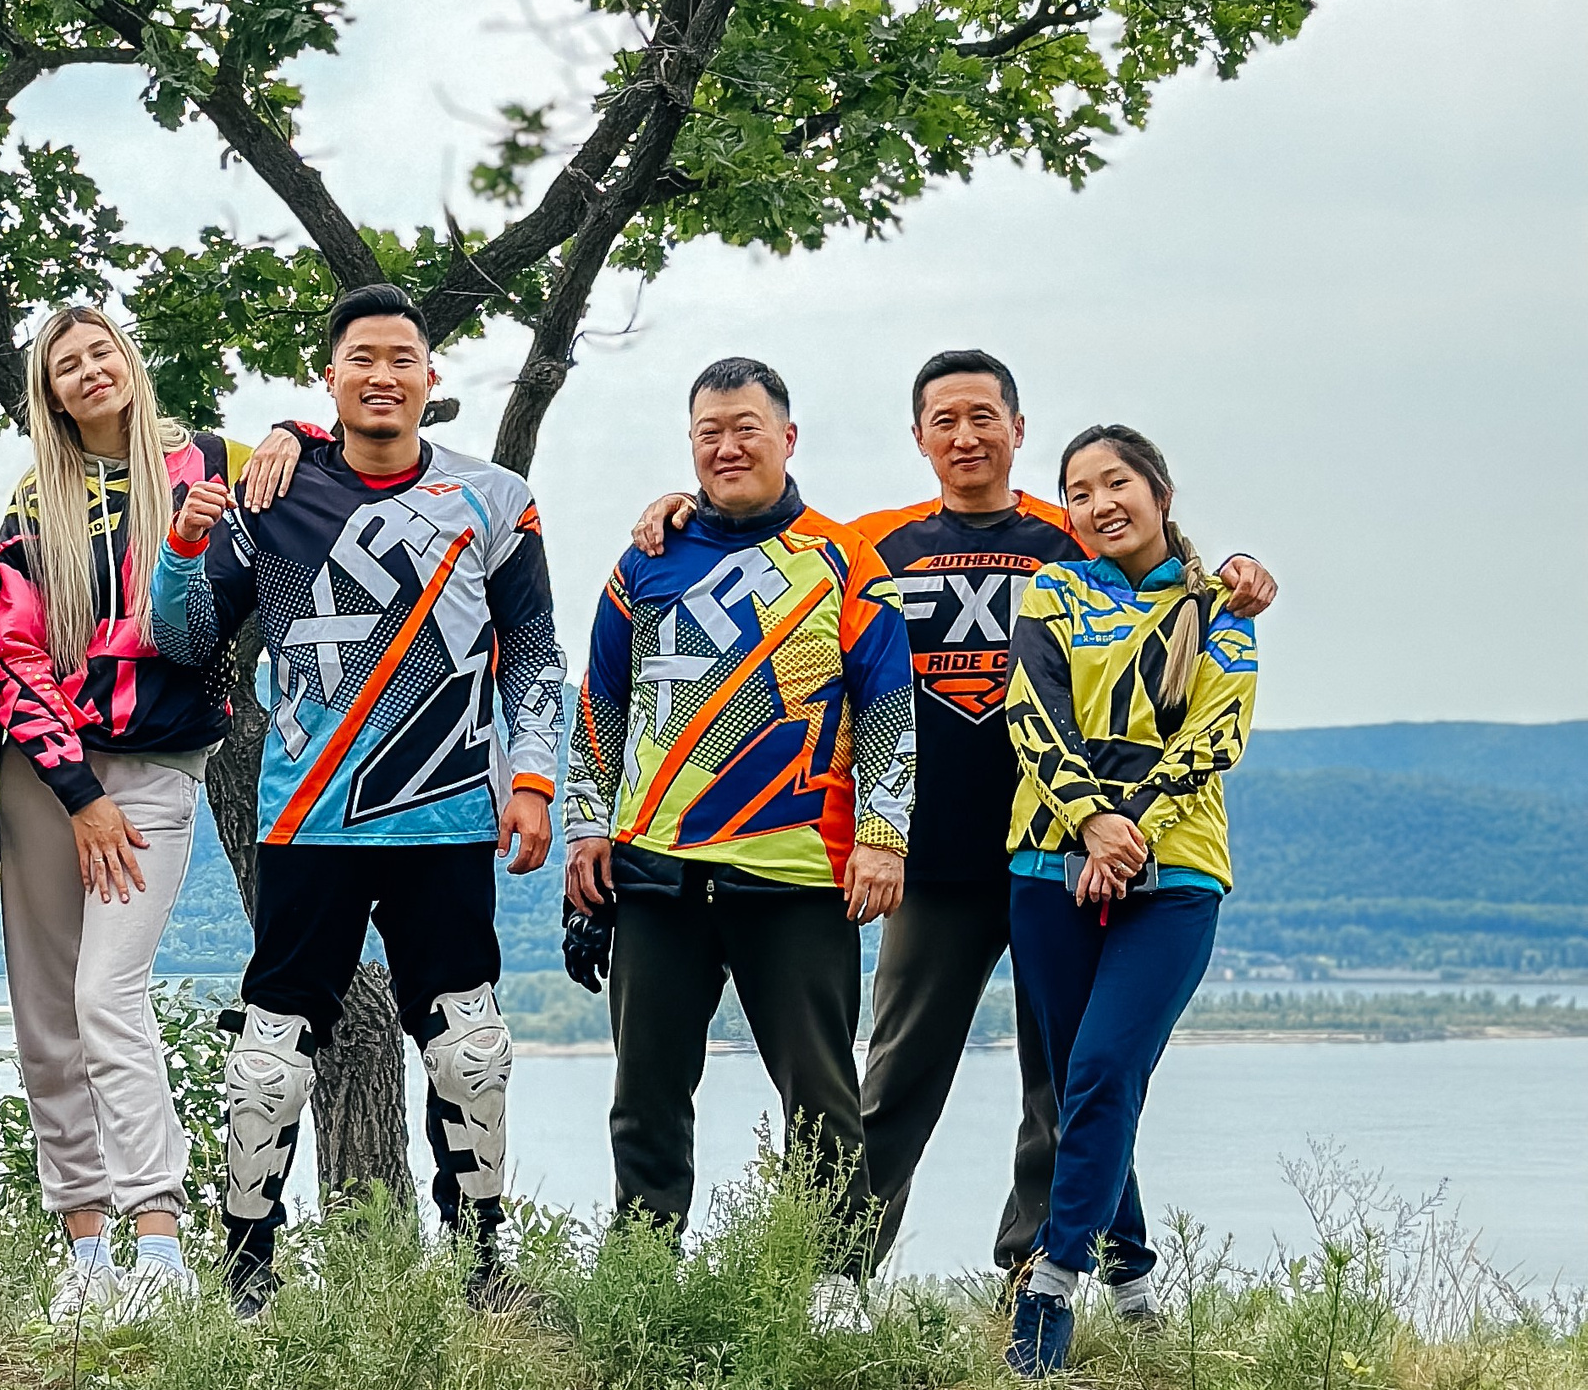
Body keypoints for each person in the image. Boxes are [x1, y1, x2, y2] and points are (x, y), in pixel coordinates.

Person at [629, 348, 1275, 1282]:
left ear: (1018, 428)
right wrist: (673, 508)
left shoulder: (1074, 534)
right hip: (925, 861)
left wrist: (1241, 567)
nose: (965, 435)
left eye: (984, 416)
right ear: (919, 437)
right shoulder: (869, 544)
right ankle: (833, 1278)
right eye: (944, 419)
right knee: (892, 1082)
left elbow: (1172, 572)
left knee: (1060, 1085)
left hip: (1052, 853)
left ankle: (1029, 1275)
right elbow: (767, 532)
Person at [149, 283, 567, 1312]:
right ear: (327, 376)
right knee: (267, 1058)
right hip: (309, 816)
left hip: (450, 812)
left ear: (431, 378)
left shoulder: (496, 498)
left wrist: (533, 777)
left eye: (402, 358)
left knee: (469, 1048)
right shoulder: (271, 493)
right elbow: (186, 638)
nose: (382, 375)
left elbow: (536, 650)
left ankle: (481, 1265)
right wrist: (179, 549)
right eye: (361, 358)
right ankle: (246, 1273)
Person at [0, 304, 304, 1323]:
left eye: (101, 352)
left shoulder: (209, 456)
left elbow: (320, 458)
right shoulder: (36, 498)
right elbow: (15, 650)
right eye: (65, 364)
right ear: (49, 390)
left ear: (131, 360)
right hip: (46, 779)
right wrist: (74, 792)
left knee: (105, 994)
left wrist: (294, 433)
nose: (88, 371)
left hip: (159, 768)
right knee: (47, 1016)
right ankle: (84, 1246)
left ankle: (157, 1241)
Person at [570, 355, 912, 1272]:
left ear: (787, 438)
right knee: (645, 1091)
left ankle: (839, 1284)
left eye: (746, 427)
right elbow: (600, 694)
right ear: (689, 444)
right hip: (654, 868)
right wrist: (584, 820)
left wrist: (883, 837)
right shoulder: (645, 557)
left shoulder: (844, 560)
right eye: (708, 431)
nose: (728, 446)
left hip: (796, 872)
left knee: (821, 1096)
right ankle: (641, 1275)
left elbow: (889, 705)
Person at [1002, 421, 1257, 1376]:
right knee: (1083, 1088)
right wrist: (1087, 823)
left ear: (1159, 490)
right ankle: (1138, 1284)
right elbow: (1033, 716)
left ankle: (1053, 1281)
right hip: (1047, 868)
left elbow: (1217, 733)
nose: (1099, 503)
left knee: (1107, 1068)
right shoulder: (1053, 590)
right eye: (1078, 490)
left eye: (1116, 483)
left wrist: (1127, 824)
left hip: (1176, 876)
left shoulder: (1220, 602)